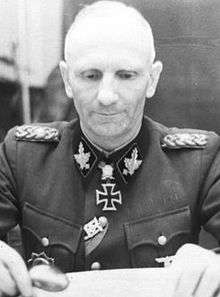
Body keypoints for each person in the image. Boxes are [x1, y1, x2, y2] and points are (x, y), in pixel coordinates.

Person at [0, 1, 220, 296]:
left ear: (152, 79)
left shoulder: (199, 161)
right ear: (66, 80)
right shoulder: (21, 155)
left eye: (126, 75)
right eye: (90, 76)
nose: (106, 96)